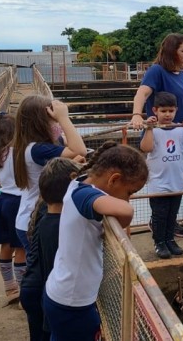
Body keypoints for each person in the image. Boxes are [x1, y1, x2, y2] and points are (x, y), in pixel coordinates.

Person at [43, 142, 149, 341]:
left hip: (62, 293)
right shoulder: (84, 195)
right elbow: (126, 211)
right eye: (130, 192)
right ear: (114, 179)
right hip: (72, 303)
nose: (128, 200)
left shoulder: (79, 183)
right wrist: (125, 208)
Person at [130, 33, 183, 239]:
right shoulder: (157, 71)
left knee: (177, 177)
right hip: (162, 137)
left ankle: (170, 222)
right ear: (172, 52)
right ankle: (159, 225)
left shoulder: (182, 74)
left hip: (182, 136)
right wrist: (136, 115)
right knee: (161, 180)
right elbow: (142, 93)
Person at [13, 96, 87, 252]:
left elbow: (72, 145)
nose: (57, 125)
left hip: (36, 217)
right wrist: (64, 118)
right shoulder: (37, 149)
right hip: (34, 222)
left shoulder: (34, 145)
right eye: (52, 121)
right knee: (45, 272)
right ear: (40, 123)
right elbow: (79, 150)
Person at [20, 158, 81, 341]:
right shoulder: (55, 227)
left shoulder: (46, 211)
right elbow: (51, 272)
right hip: (39, 291)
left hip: (33, 288)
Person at [140, 92, 183, 258]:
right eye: (163, 111)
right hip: (158, 183)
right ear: (155, 110)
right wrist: (149, 128)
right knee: (159, 215)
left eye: (171, 111)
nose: (167, 114)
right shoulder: (154, 130)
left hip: (177, 182)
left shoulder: (181, 130)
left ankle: (170, 239)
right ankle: (159, 242)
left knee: (172, 215)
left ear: (176, 111)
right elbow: (145, 148)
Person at [0, 112, 23, 300]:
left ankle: (10, 288)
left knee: (6, 245)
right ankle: (24, 291)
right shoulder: (19, 151)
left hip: (2, 201)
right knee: (22, 248)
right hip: (18, 201)